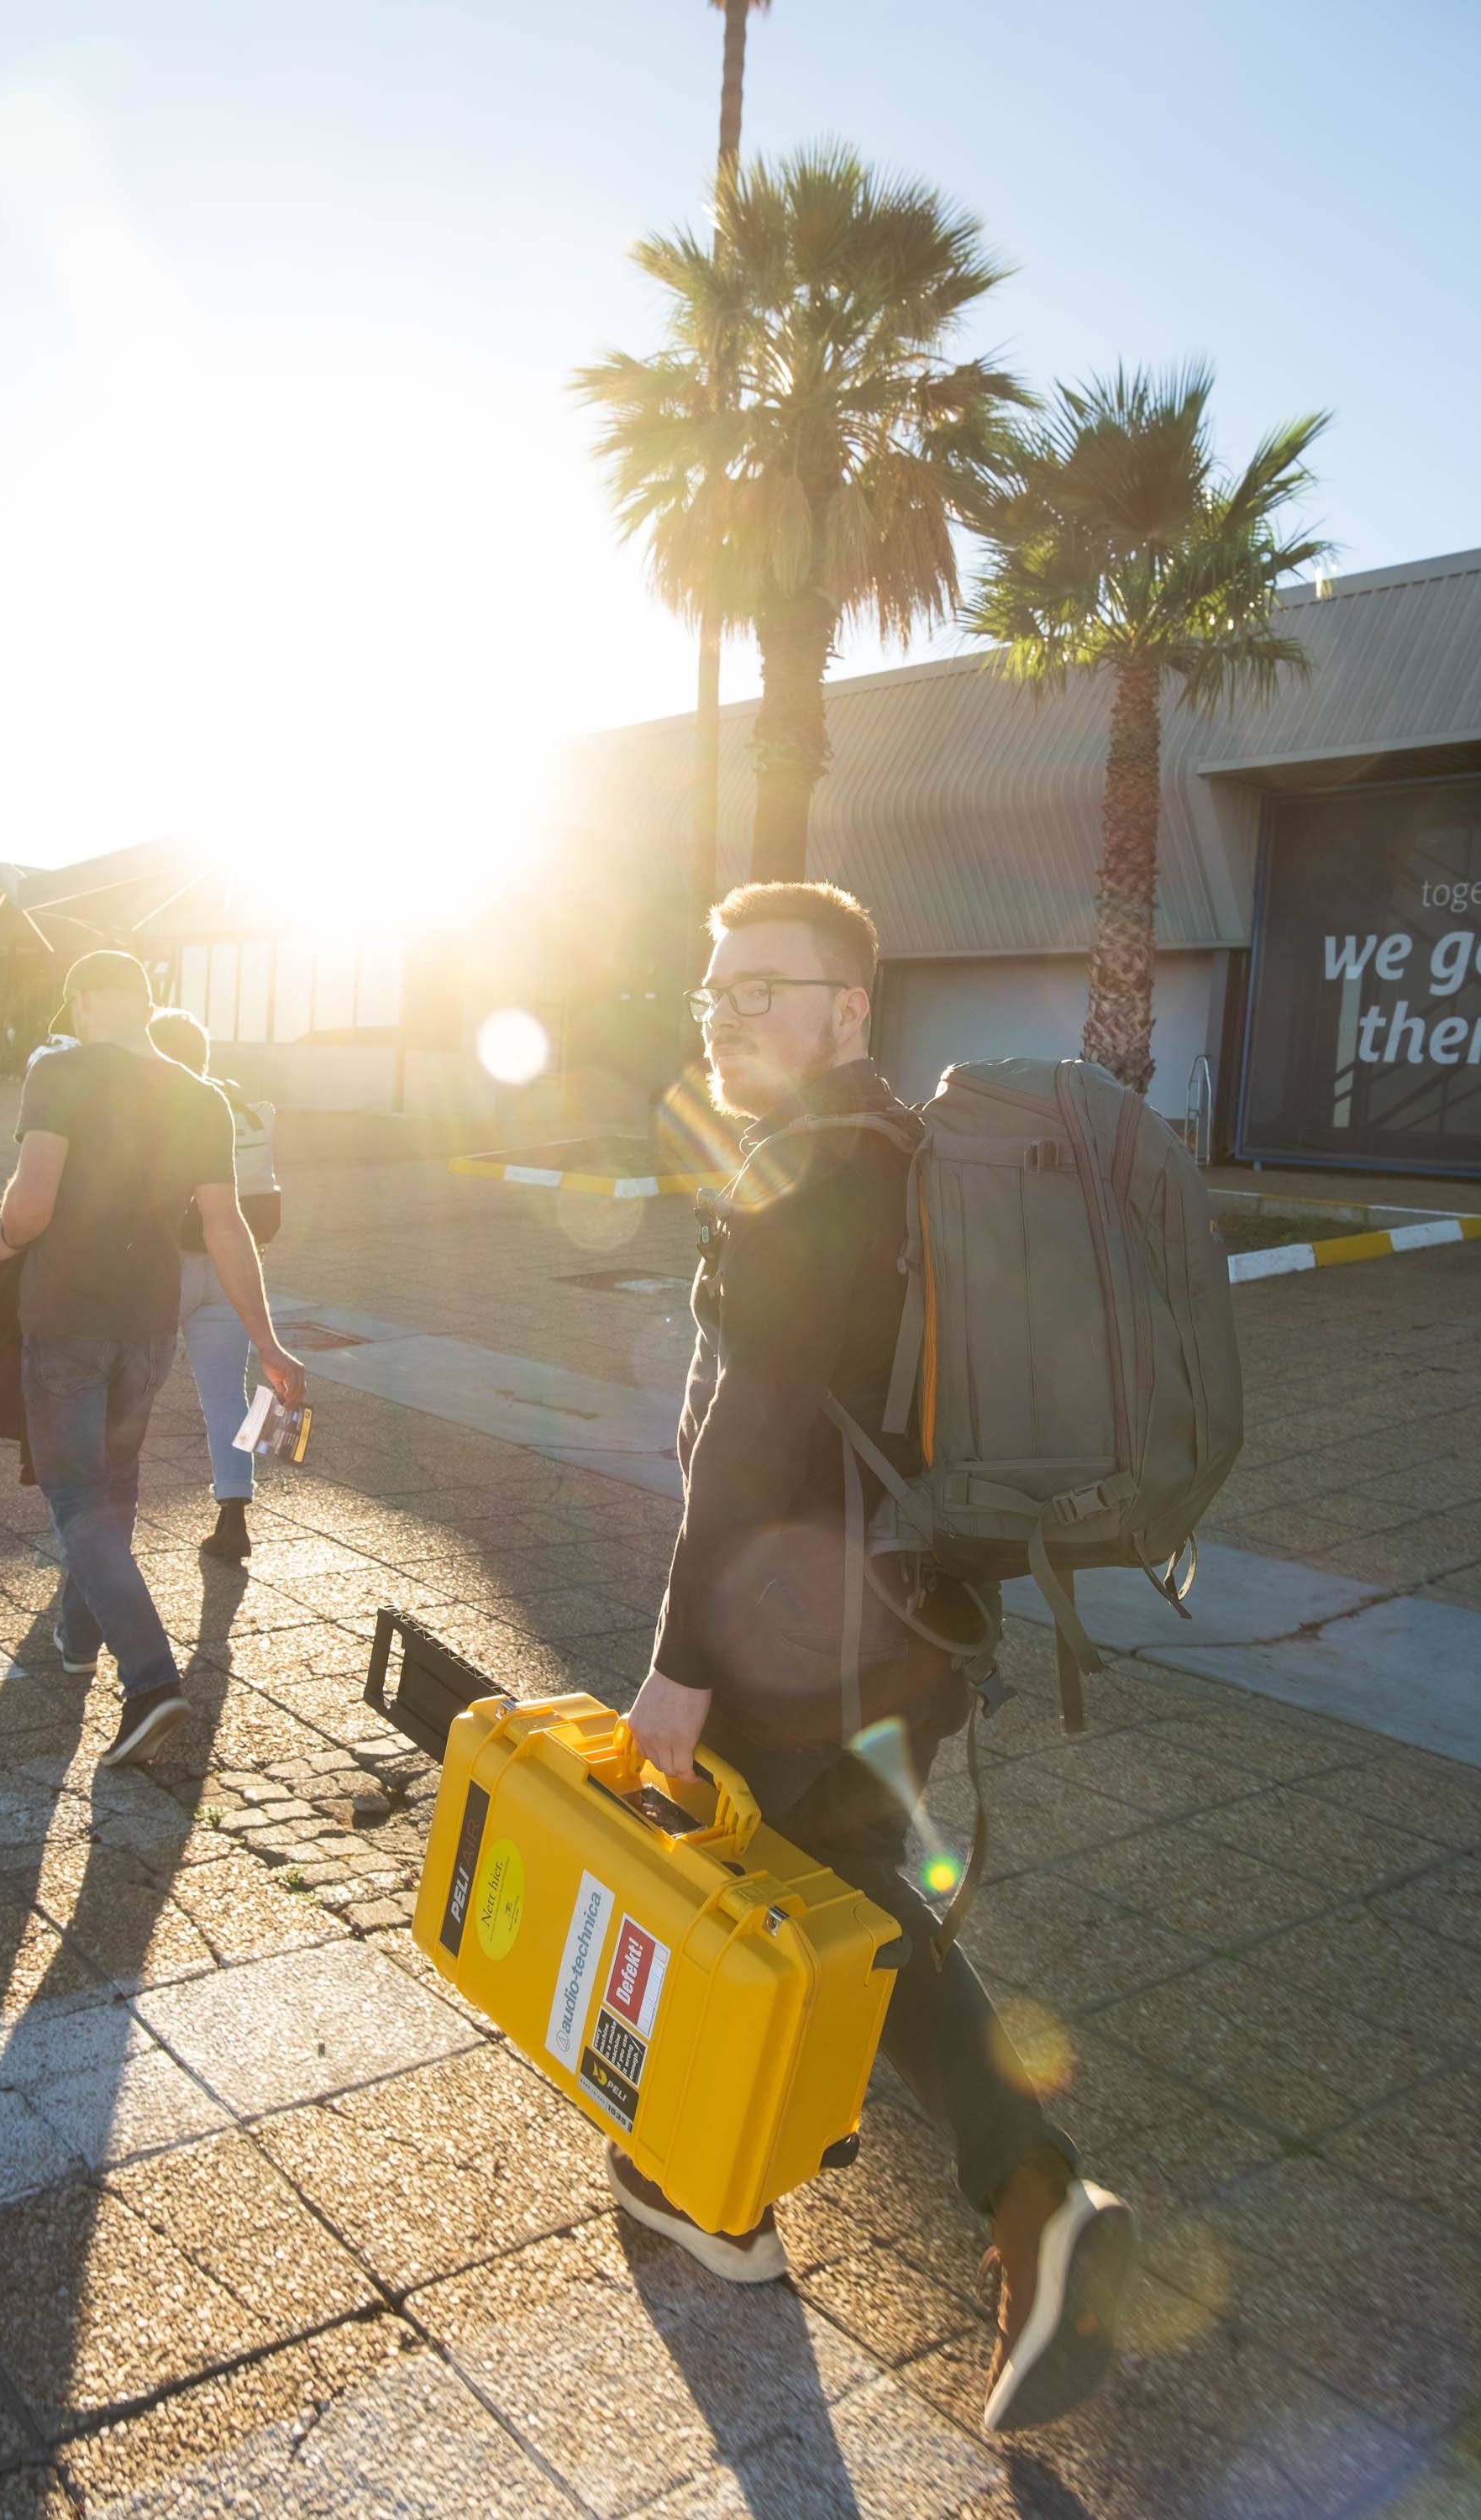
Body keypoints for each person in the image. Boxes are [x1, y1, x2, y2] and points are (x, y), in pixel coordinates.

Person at [612, 881, 1132, 2439]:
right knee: (864, 1909)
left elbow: (755, 1442)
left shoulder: (813, 1166)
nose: (727, 1018)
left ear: (850, 1009)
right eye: (712, 995)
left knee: (763, 1896)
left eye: (763, 990)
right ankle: (1032, 2208)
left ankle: (724, 2190)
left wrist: (676, 1669)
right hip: (918, 1618)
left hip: (799, 1636)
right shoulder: (912, 1152)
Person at [0, 949, 306, 1768]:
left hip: (67, 1313)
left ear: (88, 1003)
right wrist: (267, 1341)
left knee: (74, 1495)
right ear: (144, 1001)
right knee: (115, 1483)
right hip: (148, 1320)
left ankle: (150, 1681)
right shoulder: (200, 1094)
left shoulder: (60, 1071)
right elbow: (225, 1228)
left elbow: (31, 1203)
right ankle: (74, 1637)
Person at [147, 1007, 281, 1562]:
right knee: (229, 1395)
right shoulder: (238, 1107)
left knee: (128, 1388)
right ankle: (235, 1514)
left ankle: (99, 1512)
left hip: (163, 1267)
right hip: (229, 1267)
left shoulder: (155, 1110)